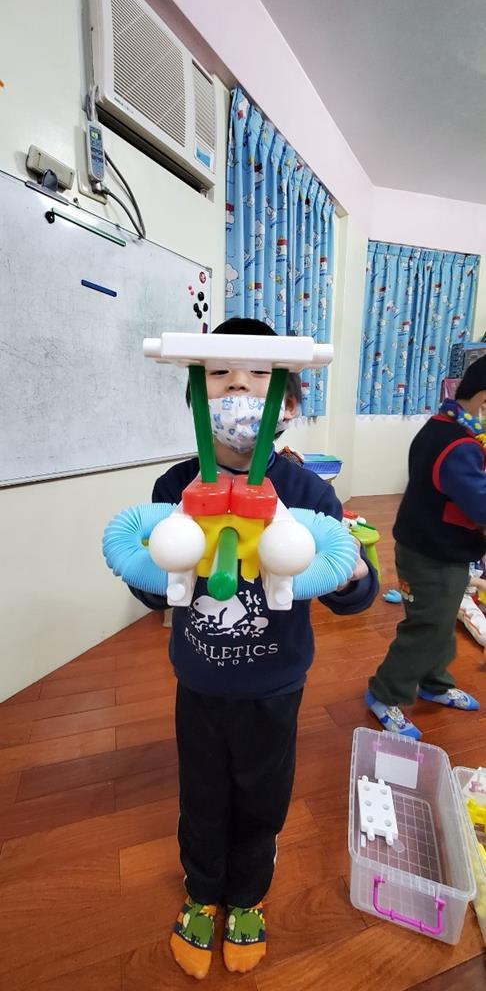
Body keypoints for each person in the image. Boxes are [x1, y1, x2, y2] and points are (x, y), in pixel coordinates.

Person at [130, 317, 378, 979]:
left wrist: (352, 575)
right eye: (219, 373)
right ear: (193, 394)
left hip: (275, 683)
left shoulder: (307, 492)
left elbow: (352, 593)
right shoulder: (173, 488)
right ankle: (202, 892)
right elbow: (157, 593)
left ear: (287, 403)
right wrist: (148, 570)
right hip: (200, 680)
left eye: (259, 375)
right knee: (201, 793)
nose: (239, 384)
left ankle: (247, 897)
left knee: (264, 796)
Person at [366, 356, 486, 740]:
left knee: (441, 621)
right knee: (425, 628)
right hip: (431, 555)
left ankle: (434, 682)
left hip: (441, 549)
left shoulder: (442, 425)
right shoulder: (459, 446)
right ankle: (384, 694)